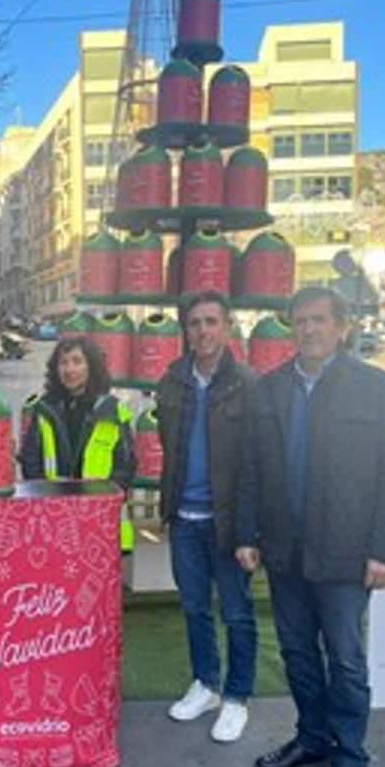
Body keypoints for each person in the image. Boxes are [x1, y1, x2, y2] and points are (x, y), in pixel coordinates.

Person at [235, 287, 385, 767]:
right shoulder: (269, 392)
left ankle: (350, 761)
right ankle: (312, 737)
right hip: (285, 552)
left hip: (346, 554)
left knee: (344, 658)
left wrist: (384, 550)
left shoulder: (378, 391)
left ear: (342, 328)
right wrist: (248, 534)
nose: (308, 330)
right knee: (296, 653)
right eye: (300, 322)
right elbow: (252, 468)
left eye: (318, 321)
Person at [156, 290, 259, 744]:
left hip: (229, 523)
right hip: (185, 516)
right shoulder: (172, 380)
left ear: (228, 326)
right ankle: (206, 684)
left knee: (236, 612)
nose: (203, 331)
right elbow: (168, 444)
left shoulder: (247, 384)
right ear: (186, 330)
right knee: (195, 607)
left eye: (211, 322)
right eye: (195, 323)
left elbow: (257, 463)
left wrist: (250, 531)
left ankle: (237, 698)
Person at [18, 336, 136, 552]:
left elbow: (126, 467)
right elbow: (30, 461)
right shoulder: (44, 409)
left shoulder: (113, 411)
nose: (69, 369)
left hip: (99, 521)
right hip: (54, 517)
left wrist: (101, 492)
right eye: (63, 362)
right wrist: (49, 492)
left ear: (91, 366)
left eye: (77, 361)